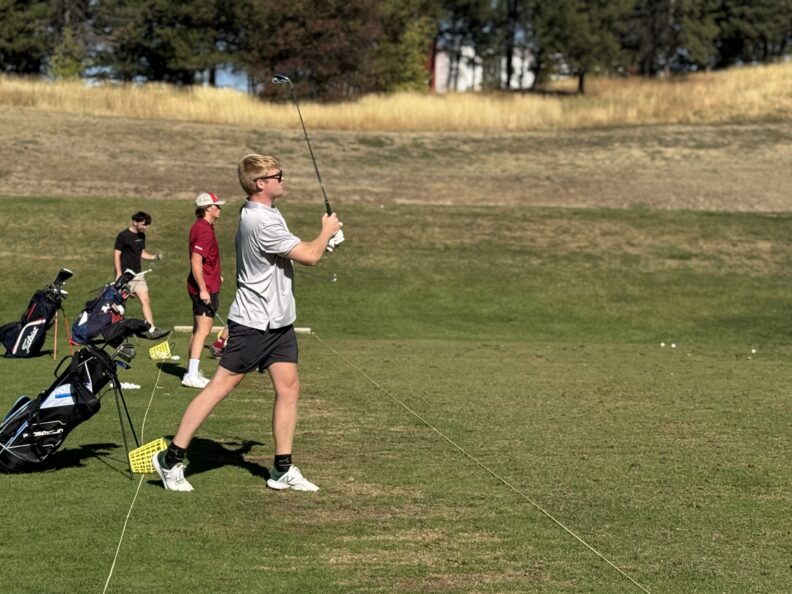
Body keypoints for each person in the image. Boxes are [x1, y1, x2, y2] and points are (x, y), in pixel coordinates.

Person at [153, 154, 343, 492]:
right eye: (277, 175)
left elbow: (295, 251)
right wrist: (326, 232)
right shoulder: (260, 221)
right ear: (260, 184)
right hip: (254, 323)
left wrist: (324, 241)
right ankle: (170, 460)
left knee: (289, 388)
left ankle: (282, 469)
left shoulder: (266, 213)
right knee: (218, 388)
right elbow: (309, 257)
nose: (283, 178)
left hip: (279, 323)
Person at [183, 192, 226, 388]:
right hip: (205, 287)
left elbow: (207, 259)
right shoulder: (204, 230)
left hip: (208, 283)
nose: (219, 209)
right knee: (203, 330)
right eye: (217, 206)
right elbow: (196, 260)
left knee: (197, 329)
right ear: (208, 208)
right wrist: (203, 289)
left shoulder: (203, 227)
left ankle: (192, 371)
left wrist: (217, 275)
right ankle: (191, 375)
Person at [113, 211, 169, 338]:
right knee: (120, 304)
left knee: (145, 300)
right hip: (125, 276)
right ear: (135, 222)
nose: (145, 227)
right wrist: (118, 274)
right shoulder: (123, 236)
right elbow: (117, 254)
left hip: (138, 275)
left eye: (147, 225)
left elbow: (141, 253)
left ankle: (151, 330)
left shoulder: (142, 236)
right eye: (143, 224)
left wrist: (155, 257)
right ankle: (117, 331)